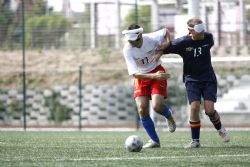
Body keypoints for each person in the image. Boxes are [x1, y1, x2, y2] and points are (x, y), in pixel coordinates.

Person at [160, 18, 230, 148]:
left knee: (209, 110)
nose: (189, 32)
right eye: (195, 30)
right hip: (192, 80)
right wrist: (160, 48)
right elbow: (164, 49)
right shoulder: (182, 42)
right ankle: (195, 141)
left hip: (208, 78)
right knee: (194, 107)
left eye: (192, 30)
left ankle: (220, 129)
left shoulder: (209, 38)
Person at [122, 24, 176, 148]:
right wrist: (154, 76)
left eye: (134, 41)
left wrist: (163, 47)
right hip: (142, 76)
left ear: (140, 35)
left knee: (157, 107)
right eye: (130, 41)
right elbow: (135, 74)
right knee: (142, 109)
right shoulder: (127, 49)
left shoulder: (150, 38)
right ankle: (155, 141)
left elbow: (166, 31)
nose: (132, 43)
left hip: (158, 71)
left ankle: (169, 116)